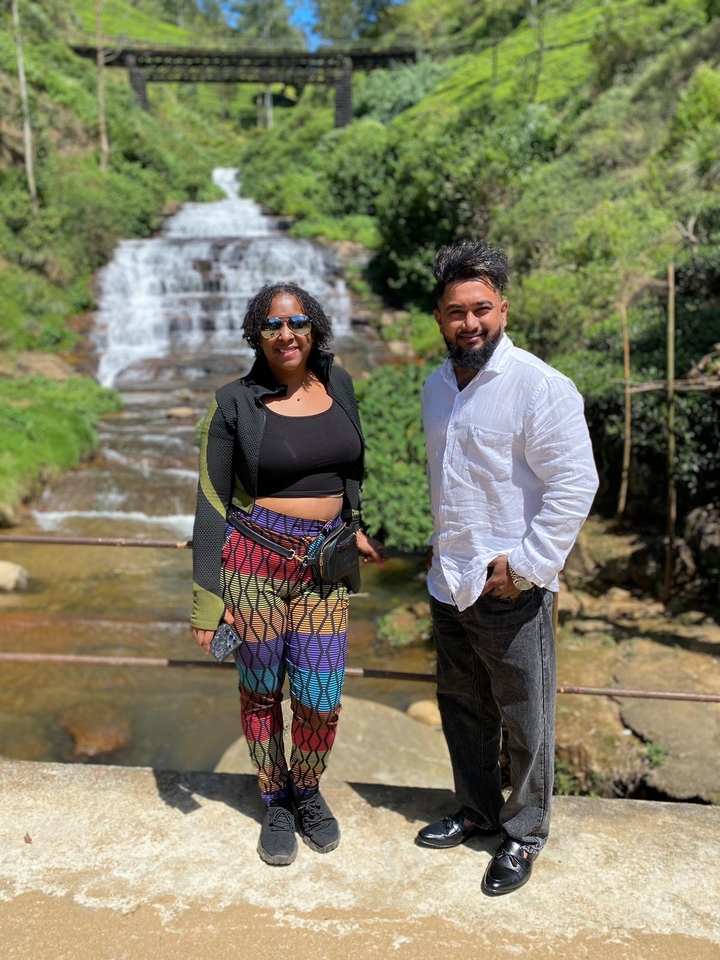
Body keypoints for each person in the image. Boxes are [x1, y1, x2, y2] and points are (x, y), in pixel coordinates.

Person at [415, 241, 598, 895]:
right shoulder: (436, 388)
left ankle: (524, 835)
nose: (471, 323)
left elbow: (575, 483)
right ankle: (476, 810)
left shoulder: (540, 387)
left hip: (510, 586)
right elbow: (452, 479)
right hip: (451, 579)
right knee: (463, 705)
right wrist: (443, 542)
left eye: (482, 309)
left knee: (525, 717)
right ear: (439, 317)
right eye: (456, 311)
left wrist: (524, 566)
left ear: (503, 308)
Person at [190, 282, 382, 867]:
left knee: (320, 695)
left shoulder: (339, 383)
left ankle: (309, 789)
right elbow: (211, 503)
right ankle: (275, 799)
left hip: (325, 561)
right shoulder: (233, 404)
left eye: (297, 322)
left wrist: (354, 524)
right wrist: (207, 601)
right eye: (272, 326)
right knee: (260, 690)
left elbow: (348, 468)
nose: (286, 334)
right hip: (254, 561)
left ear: (315, 327)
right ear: (257, 335)